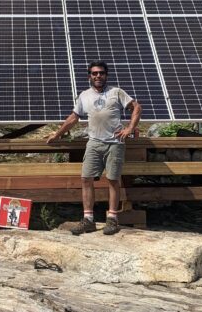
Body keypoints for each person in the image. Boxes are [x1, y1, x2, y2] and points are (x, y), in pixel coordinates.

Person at [47, 61, 142, 235]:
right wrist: (58, 133)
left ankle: (112, 219)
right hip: (94, 143)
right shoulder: (84, 95)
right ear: (89, 76)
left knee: (113, 180)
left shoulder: (116, 92)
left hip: (115, 143)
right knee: (86, 178)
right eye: (94, 73)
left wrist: (129, 128)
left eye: (101, 73)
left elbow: (136, 107)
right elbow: (73, 118)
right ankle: (88, 220)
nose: (98, 76)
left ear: (106, 75)